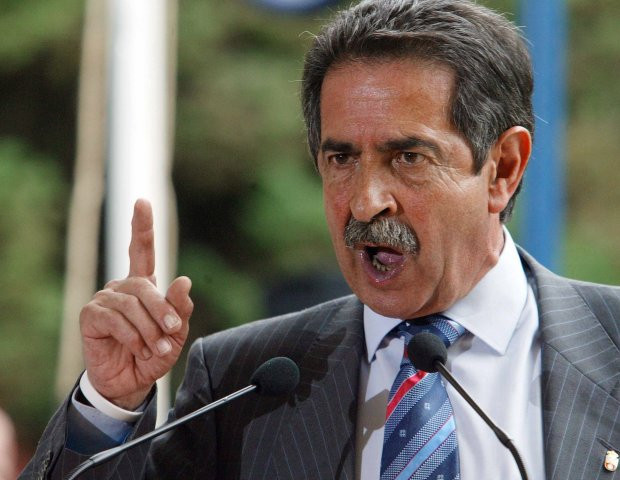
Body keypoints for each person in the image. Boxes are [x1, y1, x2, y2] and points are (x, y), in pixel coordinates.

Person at [21, 0, 620, 479]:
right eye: (341, 159)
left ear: (504, 168)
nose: (365, 202)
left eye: (408, 157)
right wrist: (109, 406)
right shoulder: (243, 382)